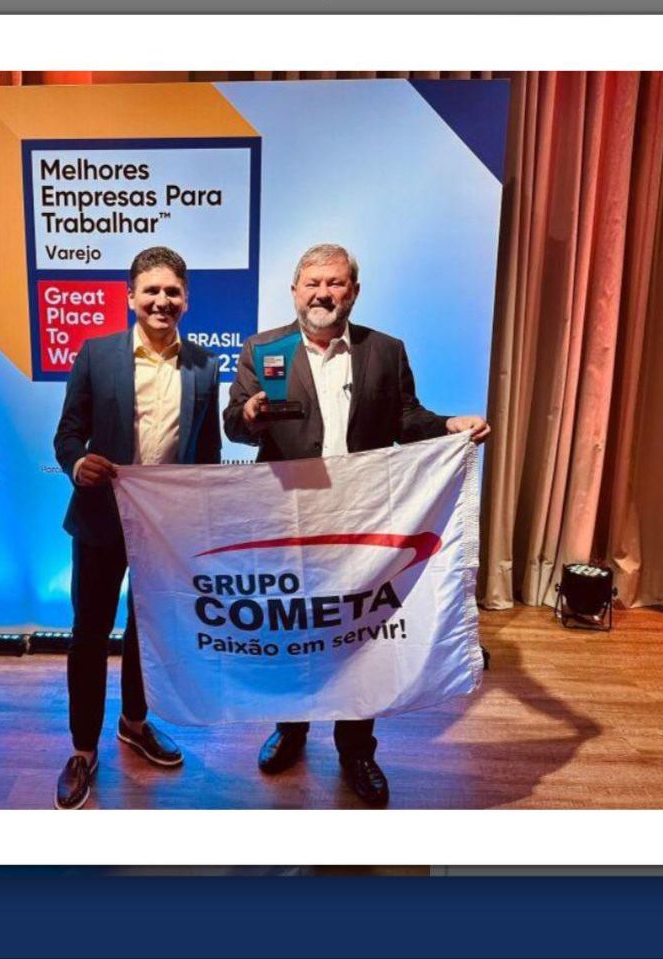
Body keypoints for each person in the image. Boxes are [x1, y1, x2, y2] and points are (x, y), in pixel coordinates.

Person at [223, 242, 490, 807]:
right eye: (313, 283)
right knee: (294, 628)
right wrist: (247, 414)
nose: (323, 293)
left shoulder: (385, 351)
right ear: (294, 291)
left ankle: (357, 750)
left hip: (364, 519)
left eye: (335, 283)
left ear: (354, 291)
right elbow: (234, 428)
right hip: (290, 517)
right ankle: (291, 728)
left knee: (360, 635)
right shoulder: (263, 348)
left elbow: (406, 420)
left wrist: (447, 426)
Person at [52, 246, 222, 810]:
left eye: (172, 291)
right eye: (151, 291)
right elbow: (67, 434)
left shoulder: (205, 366)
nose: (161, 301)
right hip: (100, 519)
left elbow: (207, 454)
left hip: (165, 527)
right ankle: (82, 750)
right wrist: (78, 462)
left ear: (186, 300)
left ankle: (134, 722)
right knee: (89, 635)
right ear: (131, 297)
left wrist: (202, 521)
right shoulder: (96, 354)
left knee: (147, 633)